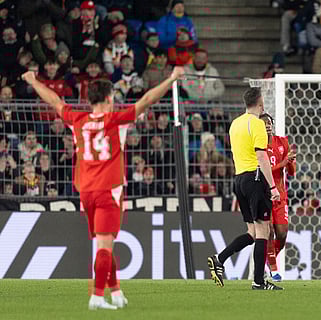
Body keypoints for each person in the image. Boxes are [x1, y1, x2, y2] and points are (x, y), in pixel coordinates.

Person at [21, 65, 185, 309]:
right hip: (109, 190)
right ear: (109, 99)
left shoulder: (78, 119)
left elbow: (55, 101)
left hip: (86, 191)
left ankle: (116, 292)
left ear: (89, 100)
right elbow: (148, 99)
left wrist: (34, 81)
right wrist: (172, 78)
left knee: (103, 243)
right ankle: (97, 297)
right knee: (105, 248)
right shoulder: (115, 120)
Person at [207, 87, 282, 290]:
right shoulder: (257, 124)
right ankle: (258, 281)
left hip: (239, 179)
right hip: (255, 178)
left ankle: (218, 259)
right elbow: (261, 156)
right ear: (261, 103)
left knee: (252, 231)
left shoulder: (235, 124)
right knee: (263, 230)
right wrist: (273, 187)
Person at [259, 113, 296, 282]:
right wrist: (283, 163)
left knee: (282, 233)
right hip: (264, 193)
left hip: (280, 195)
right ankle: (274, 270)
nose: (267, 125)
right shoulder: (258, 146)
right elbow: (266, 169)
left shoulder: (282, 142)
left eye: (269, 122)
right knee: (269, 231)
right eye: (263, 123)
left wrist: (290, 162)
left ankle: (268, 258)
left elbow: (292, 172)